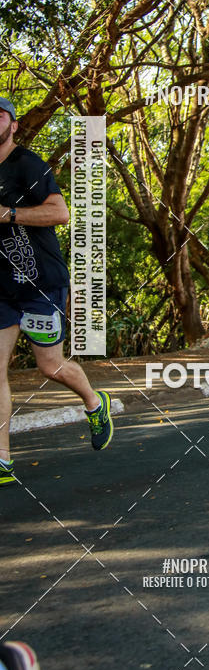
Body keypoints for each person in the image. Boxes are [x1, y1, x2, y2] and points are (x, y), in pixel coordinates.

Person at [0, 98, 113, 487]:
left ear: (13, 125)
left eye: (0, 115)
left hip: (40, 284)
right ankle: (3, 460)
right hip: (1, 288)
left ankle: (95, 404)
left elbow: (60, 213)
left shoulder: (28, 165)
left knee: (50, 366)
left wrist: (9, 214)